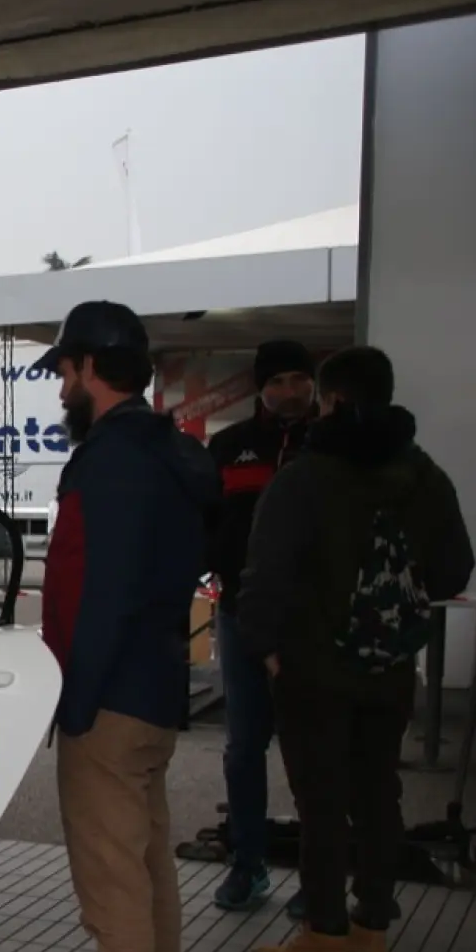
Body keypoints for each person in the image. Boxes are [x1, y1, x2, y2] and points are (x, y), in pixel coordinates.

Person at [2, 300, 220, 952]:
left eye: (64, 370)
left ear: (89, 368)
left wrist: (72, 699)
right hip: (156, 690)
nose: (60, 385)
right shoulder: (172, 454)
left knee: (114, 898)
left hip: (109, 702)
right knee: (151, 880)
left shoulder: (106, 464)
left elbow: (93, 592)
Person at [239, 346, 473, 952]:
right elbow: (455, 569)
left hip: (312, 666)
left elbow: (265, 573)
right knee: (378, 795)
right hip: (389, 666)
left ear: (334, 399)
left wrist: (265, 647)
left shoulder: (306, 476)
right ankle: (372, 934)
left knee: (321, 802)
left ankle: (324, 936)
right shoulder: (423, 474)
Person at [205, 340, 318, 911]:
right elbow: (207, 521)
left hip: (310, 623)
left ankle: (318, 881)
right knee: (244, 748)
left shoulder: (330, 446)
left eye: (299, 378)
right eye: (277, 381)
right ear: (260, 388)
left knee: (313, 749)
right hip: (240, 616)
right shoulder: (229, 446)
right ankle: (247, 866)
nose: (289, 391)